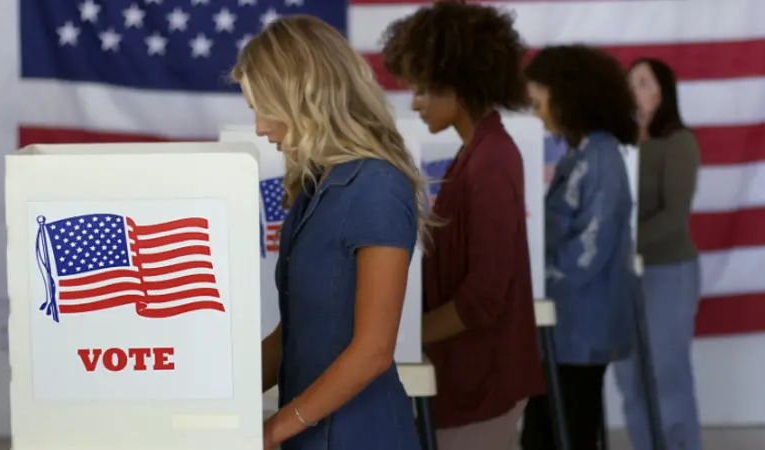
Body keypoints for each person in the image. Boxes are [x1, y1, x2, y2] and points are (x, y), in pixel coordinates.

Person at [232, 15, 432, 450]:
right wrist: (222, 398)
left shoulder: (377, 184)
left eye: (264, 108)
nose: (260, 128)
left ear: (302, 96)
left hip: (362, 435)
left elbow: (374, 350)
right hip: (308, 433)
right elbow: (296, 334)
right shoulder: (314, 187)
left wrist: (273, 431)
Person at [381, 3, 545, 449]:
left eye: (423, 88)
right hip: (469, 376)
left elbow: (484, 297)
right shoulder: (479, 152)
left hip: (483, 379)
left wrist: (397, 340)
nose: (414, 102)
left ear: (459, 83)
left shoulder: (490, 161)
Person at [520, 44, 638, 450]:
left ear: (568, 97)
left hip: (581, 326)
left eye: (539, 103)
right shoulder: (580, 154)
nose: (536, 114)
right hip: (565, 325)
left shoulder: (601, 159)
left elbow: (589, 251)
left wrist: (533, 280)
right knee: (547, 430)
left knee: (563, 432)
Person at [613, 58, 703, 450]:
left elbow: (674, 215)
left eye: (643, 82)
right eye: (630, 82)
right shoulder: (618, 142)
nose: (635, 89)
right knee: (630, 377)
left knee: (667, 373)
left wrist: (624, 246)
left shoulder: (679, 142)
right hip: (622, 275)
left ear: (662, 92)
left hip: (668, 272)